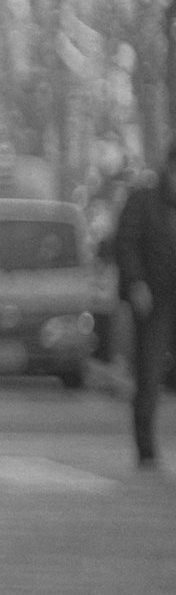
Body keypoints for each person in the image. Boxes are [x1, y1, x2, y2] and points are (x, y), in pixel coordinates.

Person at [108, 142, 176, 470]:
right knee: (149, 375)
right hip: (155, 300)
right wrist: (136, 282)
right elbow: (125, 242)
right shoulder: (144, 200)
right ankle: (146, 449)